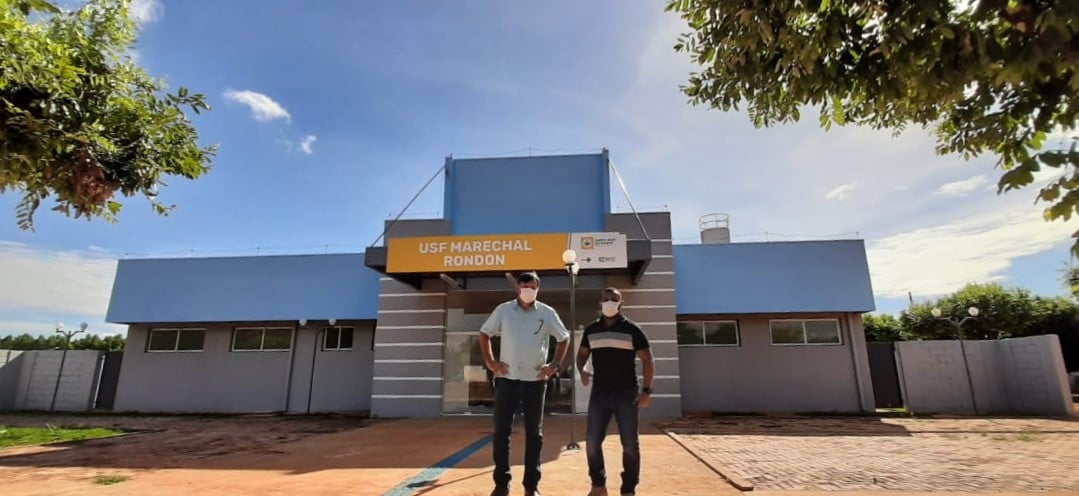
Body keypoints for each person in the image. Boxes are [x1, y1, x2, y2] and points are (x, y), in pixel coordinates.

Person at [479, 271, 570, 496]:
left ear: (538, 287)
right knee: (501, 432)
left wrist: (554, 365)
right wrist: (490, 362)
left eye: (532, 286)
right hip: (507, 380)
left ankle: (531, 487)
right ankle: (501, 484)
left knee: (534, 434)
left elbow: (564, 338)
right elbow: (483, 334)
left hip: (535, 381)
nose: (527, 290)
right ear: (517, 288)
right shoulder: (503, 310)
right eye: (523, 286)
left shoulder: (547, 313)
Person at [576, 287, 654, 496]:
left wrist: (646, 391)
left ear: (621, 303)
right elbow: (582, 355)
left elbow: (647, 360)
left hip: (627, 395)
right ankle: (598, 486)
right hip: (599, 394)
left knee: (629, 445)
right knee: (592, 443)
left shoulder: (632, 330)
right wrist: (582, 369)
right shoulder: (591, 330)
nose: (609, 302)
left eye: (614, 299)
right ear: (599, 303)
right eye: (605, 299)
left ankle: (628, 489)